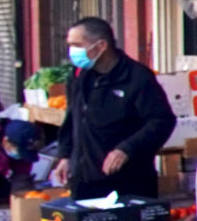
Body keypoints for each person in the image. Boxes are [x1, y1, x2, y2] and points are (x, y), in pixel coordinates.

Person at [53, 17, 176, 200]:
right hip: (85, 181)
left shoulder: (137, 78)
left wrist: (127, 149)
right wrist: (66, 155)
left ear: (101, 45)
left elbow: (162, 121)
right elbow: (72, 117)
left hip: (128, 182)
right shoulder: (78, 75)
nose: (72, 51)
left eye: (77, 45)